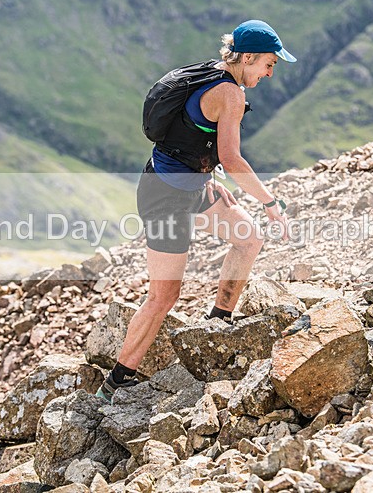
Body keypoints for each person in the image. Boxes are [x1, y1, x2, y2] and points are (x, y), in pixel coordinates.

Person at [97, 20, 296, 402]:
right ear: (248, 57)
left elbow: (191, 135)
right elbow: (233, 158)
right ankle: (117, 380)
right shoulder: (230, 94)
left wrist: (209, 177)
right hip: (166, 197)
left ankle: (219, 322)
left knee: (248, 238)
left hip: (189, 187)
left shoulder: (213, 73)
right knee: (164, 296)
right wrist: (270, 203)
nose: (270, 73)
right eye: (269, 64)